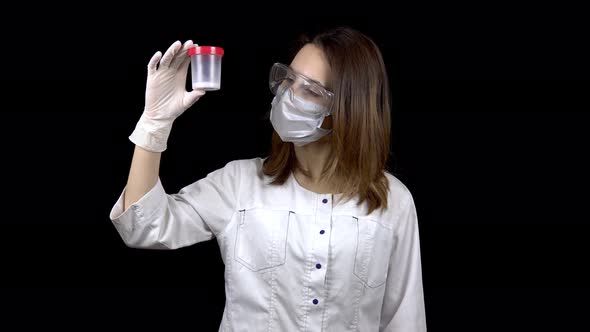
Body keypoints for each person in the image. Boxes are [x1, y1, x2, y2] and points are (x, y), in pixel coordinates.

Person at [109, 26, 426, 332]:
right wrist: (154, 124)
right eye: (288, 78)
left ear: (348, 109)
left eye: (310, 90)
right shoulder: (239, 184)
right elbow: (143, 228)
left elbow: (405, 321)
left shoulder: (393, 201)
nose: (288, 95)